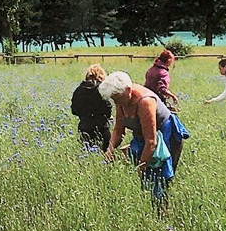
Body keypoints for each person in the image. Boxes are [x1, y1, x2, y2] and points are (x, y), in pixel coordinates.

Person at [98, 71, 190, 199]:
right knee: (145, 186)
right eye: (114, 99)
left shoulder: (145, 102)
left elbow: (151, 142)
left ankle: (161, 215)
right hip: (144, 140)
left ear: (128, 90)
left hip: (164, 140)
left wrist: (140, 170)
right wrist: (110, 150)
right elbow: (118, 130)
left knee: (158, 184)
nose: (116, 102)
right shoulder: (121, 100)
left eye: (117, 98)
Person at [71, 63, 111, 149]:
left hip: (84, 127)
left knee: (88, 152)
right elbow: (108, 109)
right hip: (102, 128)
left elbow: (74, 110)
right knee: (106, 155)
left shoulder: (78, 90)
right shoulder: (102, 89)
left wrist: (84, 115)